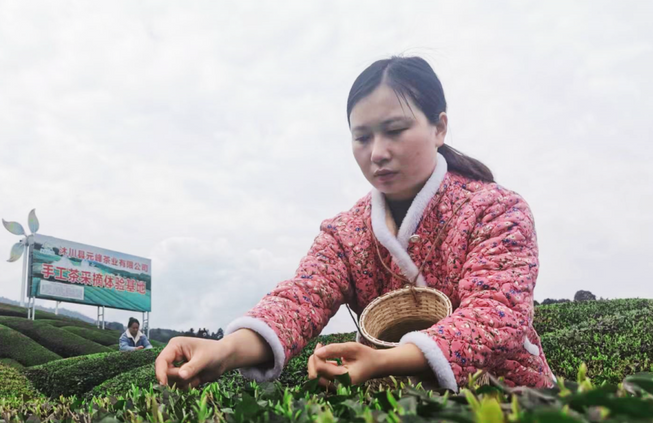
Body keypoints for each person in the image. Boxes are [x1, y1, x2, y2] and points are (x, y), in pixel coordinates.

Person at [156, 56, 555, 392]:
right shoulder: (346, 234)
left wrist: (385, 361)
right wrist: (223, 350)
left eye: (395, 131)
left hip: (512, 403)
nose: (378, 153)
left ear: (439, 127)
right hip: (400, 419)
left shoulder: (497, 209)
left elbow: (496, 315)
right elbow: (299, 301)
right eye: (362, 137)